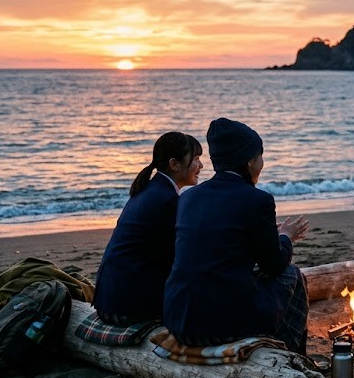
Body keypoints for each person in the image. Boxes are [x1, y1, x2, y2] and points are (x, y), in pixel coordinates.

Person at [163, 118, 311, 355]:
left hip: (178, 318)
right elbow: (273, 265)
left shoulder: (189, 197)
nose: (262, 163)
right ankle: (292, 355)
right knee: (292, 274)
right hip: (218, 326)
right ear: (250, 160)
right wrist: (285, 236)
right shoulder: (258, 200)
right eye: (261, 156)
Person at [93, 132, 204, 325]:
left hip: (110, 300)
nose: (201, 166)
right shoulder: (166, 199)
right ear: (174, 164)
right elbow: (182, 256)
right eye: (196, 159)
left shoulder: (151, 190)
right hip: (126, 308)